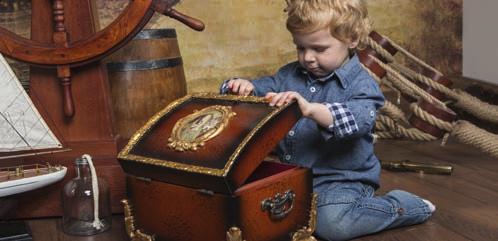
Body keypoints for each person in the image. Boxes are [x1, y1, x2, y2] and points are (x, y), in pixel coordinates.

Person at [220, 0, 435, 240]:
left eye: (319, 49)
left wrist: (312, 110)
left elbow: (358, 120)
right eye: (300, 48)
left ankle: (404, 205)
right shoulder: (289, 74)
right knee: (241, 206)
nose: (308, 58)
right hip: (293, 178)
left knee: (332, 226)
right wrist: (243, 86)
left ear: (351, 40)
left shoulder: (361, 84)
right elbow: (262, 89)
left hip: (342, 180)